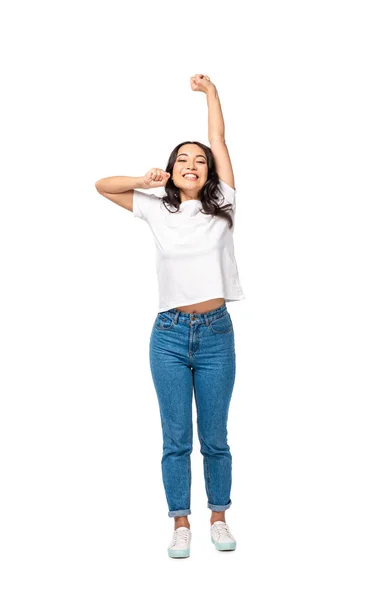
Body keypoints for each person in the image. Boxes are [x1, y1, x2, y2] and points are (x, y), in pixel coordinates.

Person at [95, 74, 245, 558]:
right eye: (183, 159)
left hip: (217, 334)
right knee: (176, 437)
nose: (193, 164)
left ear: (209, 174)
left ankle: (218, 518)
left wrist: (212, 94)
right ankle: (180, 522)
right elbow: (100, 185)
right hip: (169, 336)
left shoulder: (224, 202)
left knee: (215, 437)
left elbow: (218, 139)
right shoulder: (156, 207)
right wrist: (142, 180)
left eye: (199, 161)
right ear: (171, 170)